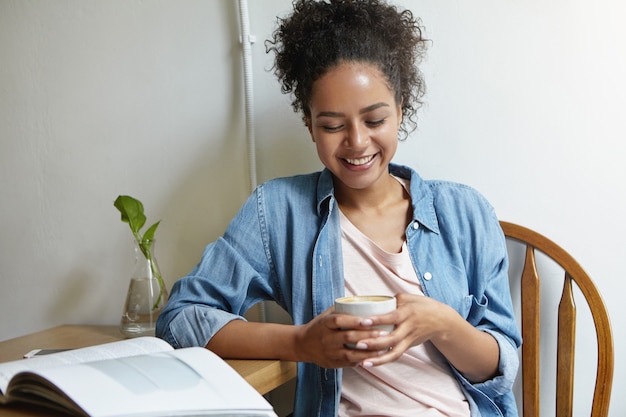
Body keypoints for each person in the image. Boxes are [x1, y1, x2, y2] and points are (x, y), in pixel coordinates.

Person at [156, 0, 522, 416]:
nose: (357, 143)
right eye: (332, 125)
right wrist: (301, 343)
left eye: (374, 120)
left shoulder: (466, 212)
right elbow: (180, 320)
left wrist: (443, 324)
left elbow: (498, 368)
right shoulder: (277, 211)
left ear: (400, 110)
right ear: (309, 125)